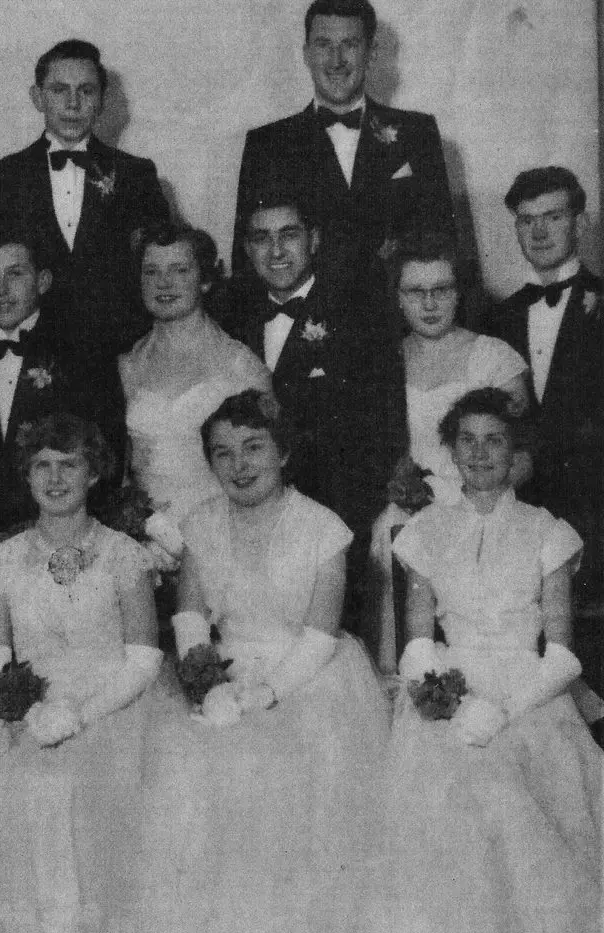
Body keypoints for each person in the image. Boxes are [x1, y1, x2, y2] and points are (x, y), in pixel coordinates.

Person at [130, 389, 390, 933]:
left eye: (253, 448)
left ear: (284, 454)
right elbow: (191, 618)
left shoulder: (324, 528)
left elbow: (321, 635)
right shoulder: (200, 524)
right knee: (185, 768)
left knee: (282, 777)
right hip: (225, 667)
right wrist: (207, 682)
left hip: (306, 676)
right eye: (223, 453)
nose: (239, 465)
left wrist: (262, 695)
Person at [373, 387, 601, 933]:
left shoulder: (547, 531)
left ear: (515, 451)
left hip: (528, 692)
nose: (479, 454)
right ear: (450, 450)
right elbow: (417, 644)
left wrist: (502, 709)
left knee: (511, 789)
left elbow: (565, 656)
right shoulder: (426, 532)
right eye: (466, 441)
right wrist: (457, 705)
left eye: (493, 440)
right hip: (448, 689)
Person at [0, 413, 165, 931]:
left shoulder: (124, 555)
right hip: (29, 711)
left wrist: (80, 713)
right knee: (17, 785)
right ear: (27, 476)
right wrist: (30, 710)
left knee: (90, 791)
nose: (55, 480)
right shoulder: (4, 560)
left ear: (94, 474)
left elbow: (144, 658)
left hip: (111, 707)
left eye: (69, 466)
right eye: (42, 466)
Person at [0, 229, 122, 690]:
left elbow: (105, 468)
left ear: (44, 279)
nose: (1, 290)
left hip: (62, 559)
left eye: (15, 274)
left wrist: (14, 541)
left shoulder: (84, 362)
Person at [229, 190, 405, 637]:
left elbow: (378, 430)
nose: (275, 251)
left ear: (314, 239)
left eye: (288, 235)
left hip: (330, 519)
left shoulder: (359, 315)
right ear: (247, 248)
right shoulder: (231, 315)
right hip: (246, 519)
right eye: (261, 238)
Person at [367, 234, 529, 670]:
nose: (430, 302)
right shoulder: (382, 361)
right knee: (393, 541)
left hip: (484, 509)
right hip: (407, 512)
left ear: (460, 293)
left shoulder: (495, 358)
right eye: (415, 292)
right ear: (397, 299)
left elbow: (524, 458)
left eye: (441, 289)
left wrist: (464, 500)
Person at [0, 39, 171, 357]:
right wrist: (0, 359)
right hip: (27, 361)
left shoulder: (135, 175)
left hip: (116, 362)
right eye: (59, 90)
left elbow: (157, 273)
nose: (73, 104)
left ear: (101, 100)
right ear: (38, 97)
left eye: (86, 91)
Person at [233, 0, 454, 288]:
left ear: (371, 52)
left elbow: (446, 247)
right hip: (307, 323)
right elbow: (247, 262)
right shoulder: (266, 143)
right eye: (324, 45)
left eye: (349, 44)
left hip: (394, 319)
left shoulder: (417, 133)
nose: (336, 60)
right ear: (306, 53)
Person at [485, 167, 603, 615]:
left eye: (552, 216)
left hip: (593, 509)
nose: (538, 230)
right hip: (519, 514)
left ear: (580, 222)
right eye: (526, 219)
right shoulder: (498, 317)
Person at [120, 223, 271, 524]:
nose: (164, 283)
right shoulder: (128, 364)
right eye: (151, 271)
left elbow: (268, 470)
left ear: (204, 280)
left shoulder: (240, 364)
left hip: (223, 528)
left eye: (179, 270)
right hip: (148, 533)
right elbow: (127, 468)